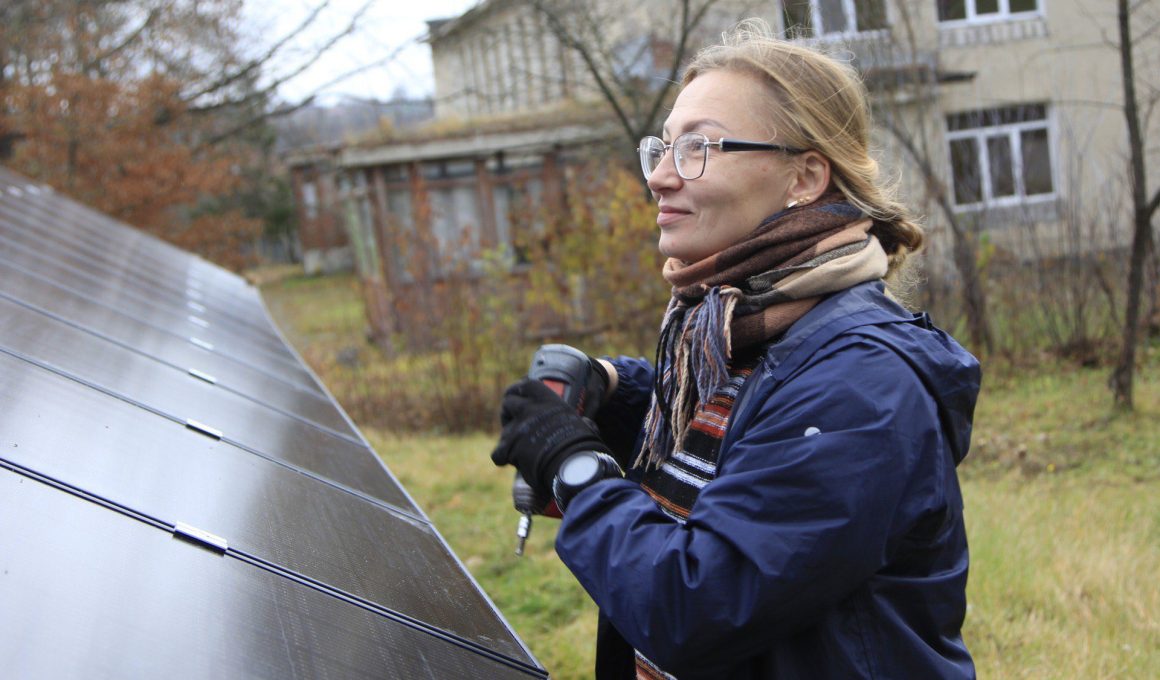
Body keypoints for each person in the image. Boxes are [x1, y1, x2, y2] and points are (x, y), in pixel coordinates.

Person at [491, 19, 980, 680]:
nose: (661, 177)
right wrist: (617, 392)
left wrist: (574, 466)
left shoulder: (862, 385)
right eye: (661, 149)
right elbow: (748, 432)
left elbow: (694, 605)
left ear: (804, 176)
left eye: (698, 148)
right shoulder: (737, 331)